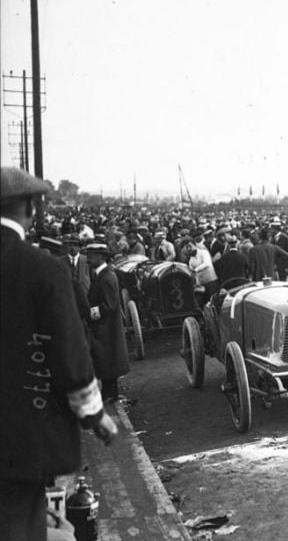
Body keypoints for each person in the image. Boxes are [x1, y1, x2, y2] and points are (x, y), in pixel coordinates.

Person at [1, 167, 117, 541]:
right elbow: (69, 356)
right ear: (31, 208)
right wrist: (95, 416)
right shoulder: (43, 270)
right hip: (20, 439)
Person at [84, 243, 131, 402]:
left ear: (102, 257)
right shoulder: (101, 275)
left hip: (107, 327)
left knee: (107, 361)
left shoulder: (106, 277)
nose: (88, 258)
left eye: (92, 255)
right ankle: (109, 394)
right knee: (105, 361)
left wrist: (88, 313)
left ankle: (110, 395)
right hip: (104, 327)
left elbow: (108, 306)